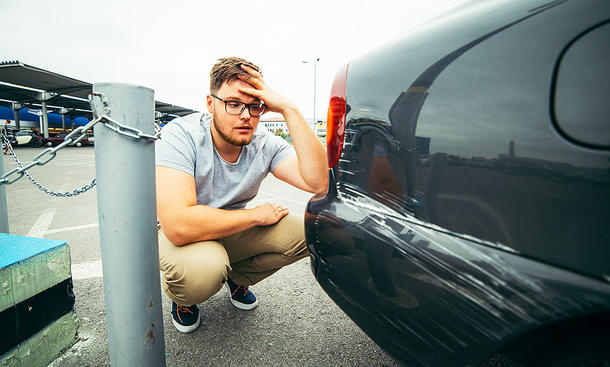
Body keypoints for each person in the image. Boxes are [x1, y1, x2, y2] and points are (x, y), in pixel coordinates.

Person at [155, 57, 328, 333]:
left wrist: (289, 109)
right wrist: (254, 216)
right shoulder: (181, 135)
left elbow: (318, 182)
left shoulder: (264, 143)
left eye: (255, 105)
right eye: (234, 104)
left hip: (232, 228)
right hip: (187, 237)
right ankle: (183, 300)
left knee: (316, 232)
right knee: (204, 270)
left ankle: (237, 277)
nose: (246, 115)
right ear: (211, 104)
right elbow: (178, 225)